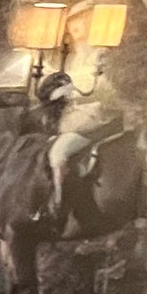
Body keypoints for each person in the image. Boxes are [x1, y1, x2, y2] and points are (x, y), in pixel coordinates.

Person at [36, 64, 125, 235]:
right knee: (54, 148)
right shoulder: (55, 103)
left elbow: (70, 98)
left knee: (58, 154)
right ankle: (55, 193)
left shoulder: (70, 95)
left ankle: (59, 201)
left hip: (80, 124)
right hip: (72, 122)